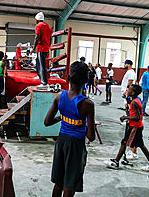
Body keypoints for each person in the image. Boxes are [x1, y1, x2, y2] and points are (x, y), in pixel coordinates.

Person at [44, 61, 95, 197]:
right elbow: (91, 136)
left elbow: (47, 122)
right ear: (86, 80)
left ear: (68, 78)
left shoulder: (59, 97)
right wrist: (88, 124)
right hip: (76, 145)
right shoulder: (87, 104)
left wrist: (61, 118)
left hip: (61, 142)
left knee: (58, 183)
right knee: (69, 186)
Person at [105, 84, 149, 171]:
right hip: (137, 126)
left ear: (132, 93)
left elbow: (137, 117)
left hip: (134, 126)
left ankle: (116, 161)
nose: (127, 91)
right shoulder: (135, 100)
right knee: (140, 144)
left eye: (128, 90)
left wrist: (125, 117)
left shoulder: (134, 103)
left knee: (124, 142)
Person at [31, 12, 52, 88]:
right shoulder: (48, 26)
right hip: (46, 47)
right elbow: (51, 37)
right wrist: (49, 45)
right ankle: (42, 79)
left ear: (37, 20)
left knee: (41, 65)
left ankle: (44, 82)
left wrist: (33, 48)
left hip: (41, 48)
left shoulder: (38, 26)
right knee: (39, 64)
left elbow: (37, 37)